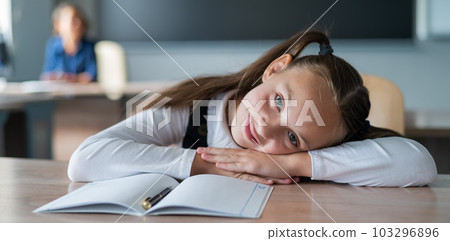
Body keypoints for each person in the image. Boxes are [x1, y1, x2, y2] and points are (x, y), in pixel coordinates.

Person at [68, 31, 436, 187]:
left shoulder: (316, 150)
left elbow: (417, 163)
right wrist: (209, 164)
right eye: (279, 100)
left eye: (293, 137)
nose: (266, 127)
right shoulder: (198, 109)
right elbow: (85, 159)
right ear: (274, 69)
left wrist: (287, 163)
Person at [41, 3, 96, 83]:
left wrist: (70, 78)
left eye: (80, 20)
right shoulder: (53, 46)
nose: (78, 24)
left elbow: (92, 75)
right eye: (73, 20)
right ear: (58, 25)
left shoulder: (89, 47)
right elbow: (46, 75)